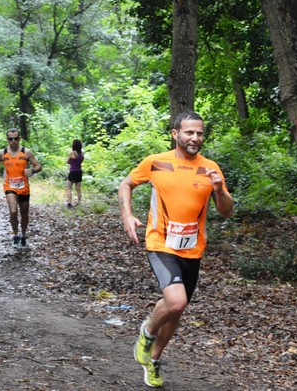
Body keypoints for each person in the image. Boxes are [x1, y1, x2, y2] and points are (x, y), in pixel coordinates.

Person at [118, 111, 234, 388]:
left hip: (192, 249)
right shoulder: (156, 162)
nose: (195, 138)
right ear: (175, 134)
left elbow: (227, 212)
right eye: (189, 132)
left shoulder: (211, 168)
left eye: (200, 133)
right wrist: (127, 215)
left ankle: (154, 361)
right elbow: (126, 184)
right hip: (160, 244)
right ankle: (147, 331)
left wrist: (219, 190)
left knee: (176, 310)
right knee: (177, 302)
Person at [0, 128, 42, 249]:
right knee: (13, 211)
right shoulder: (3, 153)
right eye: (11, 139)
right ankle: (15, 234)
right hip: (10, 186)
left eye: (16, 138)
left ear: (19, 139)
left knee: (24, 214)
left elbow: (38, 165)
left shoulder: (26, 152)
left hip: (24, 186)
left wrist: (33, 170)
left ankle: (23, 235)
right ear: (7, 139)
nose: (13, 141)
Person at [66, 139, 84, 208]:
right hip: (79, 171)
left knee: (68, 187)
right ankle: (79, 203)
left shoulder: (72, 153)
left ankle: (69, 203)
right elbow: (81, 160)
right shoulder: (82, 153)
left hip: (73, 171)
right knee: (78, 188)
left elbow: (67, 161)